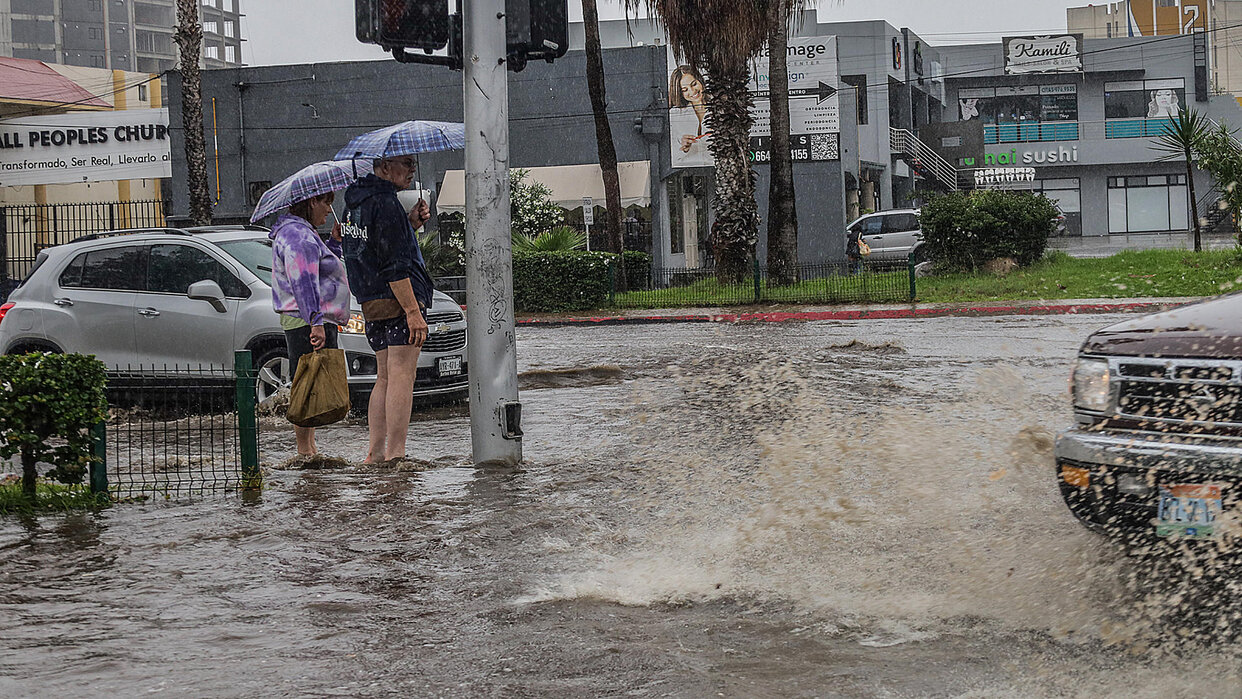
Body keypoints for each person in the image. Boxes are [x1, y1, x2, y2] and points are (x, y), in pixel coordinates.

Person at [341, 155, 433, 464]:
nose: (411, 170)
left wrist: (409, 224)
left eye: (412, 164)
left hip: (371, 302)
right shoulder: (386, 203)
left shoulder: (354, 204)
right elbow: (395, 265)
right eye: (405, 163)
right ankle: (396, 455)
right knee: (402, 376)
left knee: (384, 377)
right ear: (383, 166)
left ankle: (375, 453)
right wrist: (412, 311)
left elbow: (371, 247)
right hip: (396, 300)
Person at [269, 191, 351, 457]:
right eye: (326, 202)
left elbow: (320, 269)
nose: (329, 210)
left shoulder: (302, 233)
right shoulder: (297, 235)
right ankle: (305, 450)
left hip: (308, 317)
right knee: (305, 381)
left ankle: (309, 448)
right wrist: (315, 322)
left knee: (310, 380)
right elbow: (303, 282)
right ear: (311, 201)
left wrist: (334, 244)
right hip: (306, 318)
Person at [669, 65, 711, 165]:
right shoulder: (674, 115)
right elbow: (669, 156)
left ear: (700, 80)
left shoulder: (720, 108)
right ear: (679, 92)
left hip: (721, 170)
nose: (692, 91)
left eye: (694, 84)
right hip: (686, 171)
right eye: (685, 90)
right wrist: (683, 148)